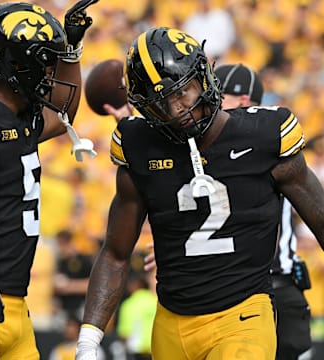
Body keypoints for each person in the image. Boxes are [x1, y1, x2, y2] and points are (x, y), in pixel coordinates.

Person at [75, 27, 324, 360]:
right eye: (161, 103)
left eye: (183, 92)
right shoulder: (138, 146)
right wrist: (88, 341)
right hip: (171, 322)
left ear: (203, 76)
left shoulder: (263, 135)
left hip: (243, 315)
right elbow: (116, 253)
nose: (177, 109)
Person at [0, 1, 96, 359]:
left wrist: (70, 51)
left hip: (14, 307)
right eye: (46, 61)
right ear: (17, 63)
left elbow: (63, 109)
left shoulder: (17, 118)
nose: (50, 72)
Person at [214, 63, 312, 360]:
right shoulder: (219, 144)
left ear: (244, 101)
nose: (211, 106)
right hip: (234, 290)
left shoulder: (265, 139)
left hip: (272, 287)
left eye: (220, 98)